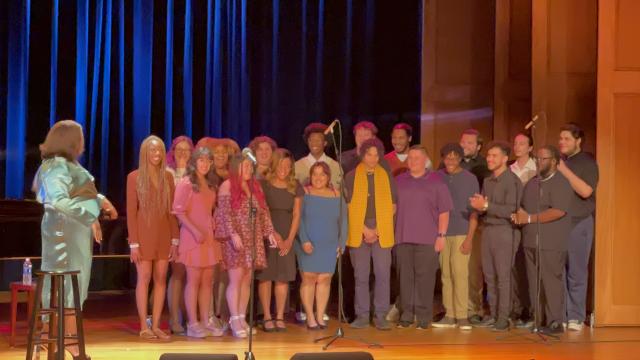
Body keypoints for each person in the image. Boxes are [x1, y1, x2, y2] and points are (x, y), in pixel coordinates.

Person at [34, 120, 118, 359]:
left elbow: (80, 193)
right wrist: (88, 214)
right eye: (79, 138)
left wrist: (99, 201)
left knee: (73, 286)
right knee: (63, 288)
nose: (83, 143)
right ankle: (51, 343)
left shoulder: (66, 165)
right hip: (63, 234)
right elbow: (58, 201)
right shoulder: (55, 167)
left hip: (72, 233)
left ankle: (66, 344)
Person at [214, 154, 277, 338]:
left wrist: (270, 232)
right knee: (236, 278)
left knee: (246, 279)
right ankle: (234, 319)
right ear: (236, 167)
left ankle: (242, 318)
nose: (249, 169)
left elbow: (263, 211)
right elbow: (224, 214)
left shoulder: (254, 186)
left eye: (250, 166)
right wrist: (233, 233)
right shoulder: (227, 186)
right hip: (236, 238)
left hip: (253, 237)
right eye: (245, 166)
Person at [512, 145, 573, 335]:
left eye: (543, 159)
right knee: (534, 283)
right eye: (537, 159)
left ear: (554, 161)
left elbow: (558, 211)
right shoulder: (532, 183)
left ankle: (555, 322)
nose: (539, 162)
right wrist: (519, 214)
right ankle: (538, 319)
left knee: (551, 283)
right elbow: (522, 206)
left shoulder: (561, 183)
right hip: (531, 241)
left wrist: (530, 218)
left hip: (551, 242)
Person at [127, 135, 180, 340]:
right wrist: (134, 243)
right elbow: (131, 213)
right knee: (144, 277)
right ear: (144, 152)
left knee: (160, 279)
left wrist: (175, 240)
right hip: (143, 234)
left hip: (164, 234)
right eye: (152, 150)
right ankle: (144, 325)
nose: (156, 154)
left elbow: (172, 212)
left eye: (159, 150)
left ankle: (157, 325)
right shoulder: (134, 177)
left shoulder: (168, 177)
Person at [394, 145, 452, 329]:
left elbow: (444, 211)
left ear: (425, 160)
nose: (412, 161)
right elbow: (392, 208)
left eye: (417, 158)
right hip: (402, 237)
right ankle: (406, 315)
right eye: (410, 157)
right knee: (404, 278)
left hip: (428, 239)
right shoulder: (399, 181)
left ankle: (424, 317)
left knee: (425, 279)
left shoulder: (437, 182)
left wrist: (441, 236)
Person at [344, 138, 397, 330]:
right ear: (362, 155)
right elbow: (348, 207)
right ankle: (362, 315)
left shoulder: (386, 175)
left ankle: (381, 315)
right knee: (361, 275)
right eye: (369, 154)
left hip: (382, 230)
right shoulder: (351, 176)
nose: (373, 158)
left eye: (376, 155)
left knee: (382, 274)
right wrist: (364, 229)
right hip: (359, 229)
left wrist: (377, 230)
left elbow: (393, 206)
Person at [469, 141, 522, 332]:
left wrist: (486, 206)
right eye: (488, 155)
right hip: (489, 230)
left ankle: (504, 317)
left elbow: (512, 211)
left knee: (503, 277)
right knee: (489, 276)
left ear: (505, 159)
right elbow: (484, 206)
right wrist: (478, 206)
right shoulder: (488, 181)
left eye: (494, 156)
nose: (489, 159)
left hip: (505, 231)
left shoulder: (512, 181)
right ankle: (493, 314)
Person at [172, 147, 224, 338]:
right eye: (201, 160)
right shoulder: (186, 183)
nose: (204, 164)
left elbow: (211, 209)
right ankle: (192, 322)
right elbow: (178, 211)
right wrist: (195, 230)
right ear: (194, 162)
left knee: (207, 282)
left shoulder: (211, 184)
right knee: (193, 281)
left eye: (207, 161)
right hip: (192, 236)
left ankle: (205, 320)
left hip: (208, 236)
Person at [296, 162, 348, 329]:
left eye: (322, 174)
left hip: (330, 244)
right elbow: (298, 219)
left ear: (328, 177)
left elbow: (344, 222)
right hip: (308, 243)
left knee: (325, 279)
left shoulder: (336, 194)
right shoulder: (305, 193)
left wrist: (342, 243)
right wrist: (304, 240)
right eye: (315, 174)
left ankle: (320, 315)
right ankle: (310, 316)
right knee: (309, 279)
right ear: (310, 176)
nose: (318, 178)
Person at [557, 123, 599, 331]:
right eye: (560, 139)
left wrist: (563, 170)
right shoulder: (560, 162)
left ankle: (575, 316)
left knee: (577, 270)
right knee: (560, 271)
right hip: (559, 222)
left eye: (566, 139)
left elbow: (585, 191)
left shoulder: (587, 162)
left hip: (579, 222)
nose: (562, 142)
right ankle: (563, 313)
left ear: (578, 141)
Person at [432, 143, 479, 331]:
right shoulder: (437, 177)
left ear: (460, 159)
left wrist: (470, 238)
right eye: (447, 157)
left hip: (462, 231)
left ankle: (462, 316)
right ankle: (450, 315)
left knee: (460, 274)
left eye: (454, 157)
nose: (450, 160)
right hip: (442, 233)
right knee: (446, 275)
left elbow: (475, 211)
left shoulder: (470, 179)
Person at [257, 149, 304, 332]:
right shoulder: (263, 184)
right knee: (266, 277)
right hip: (267, 233)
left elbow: (297, 214)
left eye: (287, 165)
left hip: (287, 234)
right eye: (281, 165)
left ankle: (279, 316)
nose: (284, 169)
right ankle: (267, 316)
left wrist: (289, 239)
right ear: (274, 164)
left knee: (282, 277)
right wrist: (273, 233)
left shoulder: (295, 185)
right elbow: (262, 210)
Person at [451, 128, 491, 325]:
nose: (465, 146)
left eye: (469, 143)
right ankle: (453, 309)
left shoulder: (484, 167)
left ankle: (474, 309)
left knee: (473, 269)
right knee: (453, 269)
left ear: (478, 146)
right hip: (453, 222)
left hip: (475, 222)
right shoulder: (450, 163)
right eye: (463, 142)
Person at [165, 135, 194, 334]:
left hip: (191, 229)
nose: (183, 153)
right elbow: (173, 201)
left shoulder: (196, 173)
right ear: (173, 152)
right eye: (179, 149)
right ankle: (174, 320)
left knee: (188, 276)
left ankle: (187, 317)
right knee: (177, 273)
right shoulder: (167, 173)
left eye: (187, 150)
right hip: (174, 228)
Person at [509, 132, 536, 327]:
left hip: (530, 222)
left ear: (530, 148)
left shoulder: (536, 168)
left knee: (530, 269)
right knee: (513, 268)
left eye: (522, 143)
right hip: (510, 222)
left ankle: (532, 310)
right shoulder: (508, 169)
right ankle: (516, 309)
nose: (517, 146)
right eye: (515, 143)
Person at [294, 123, 341, 189]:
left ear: (325, 143)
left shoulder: (335, 167)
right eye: (311, 140)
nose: (314, 143)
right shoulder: (297, 166)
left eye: (318, 140)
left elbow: (341, 192)